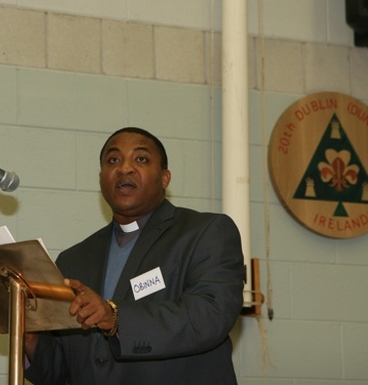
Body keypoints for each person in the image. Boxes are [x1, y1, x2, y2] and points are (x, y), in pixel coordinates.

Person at [24, 127, 245, 384]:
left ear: (165, 178)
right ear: (101, 178)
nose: (124, 168)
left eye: (141, 159)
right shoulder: (73, 259)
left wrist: (115, 316)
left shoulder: (204, 233)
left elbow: (210, 315)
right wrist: (30, 336)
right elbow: (59, 372)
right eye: (113, 160)